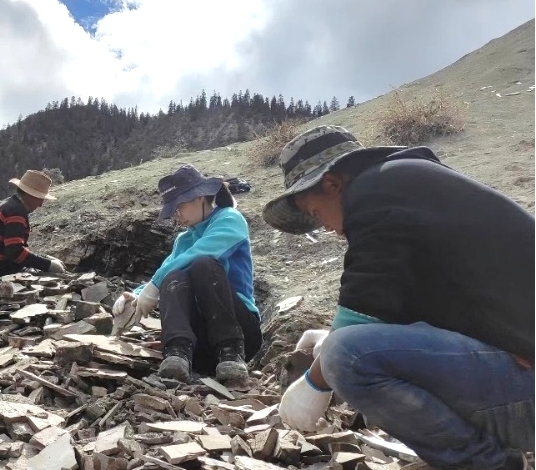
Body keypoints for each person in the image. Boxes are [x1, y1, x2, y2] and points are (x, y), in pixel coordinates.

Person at [266, 125, 534, 470]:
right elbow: (394, 316)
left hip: (527, 393)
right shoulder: (410, 183)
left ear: (333, 184)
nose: (328, 229)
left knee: (345, 355)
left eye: (316, 213)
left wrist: (313, 384)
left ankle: (484, 464)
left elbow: (359, 319)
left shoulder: (374, 192)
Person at [111, 164, 260, 384]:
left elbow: (202, 252)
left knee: (203, 265)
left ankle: (231, 352)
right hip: (202, 344)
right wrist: (135, 296)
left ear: (199, 198)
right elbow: (166, 270)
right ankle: (177, 353)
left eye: (179, 207)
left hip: (241, 334)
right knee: (174, 276)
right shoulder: (183, 240)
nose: (177, 215)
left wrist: (154, 286)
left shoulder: (230, 219)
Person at [0, 170, 66, 280]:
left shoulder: (10, 207)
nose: (40, 204)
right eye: (40, 199)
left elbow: (16, 249)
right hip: (1, 270)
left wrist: (45, 258)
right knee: (55, 278)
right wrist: (47, 264)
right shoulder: (15, 211)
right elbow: (14, 252)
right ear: (30, 195)